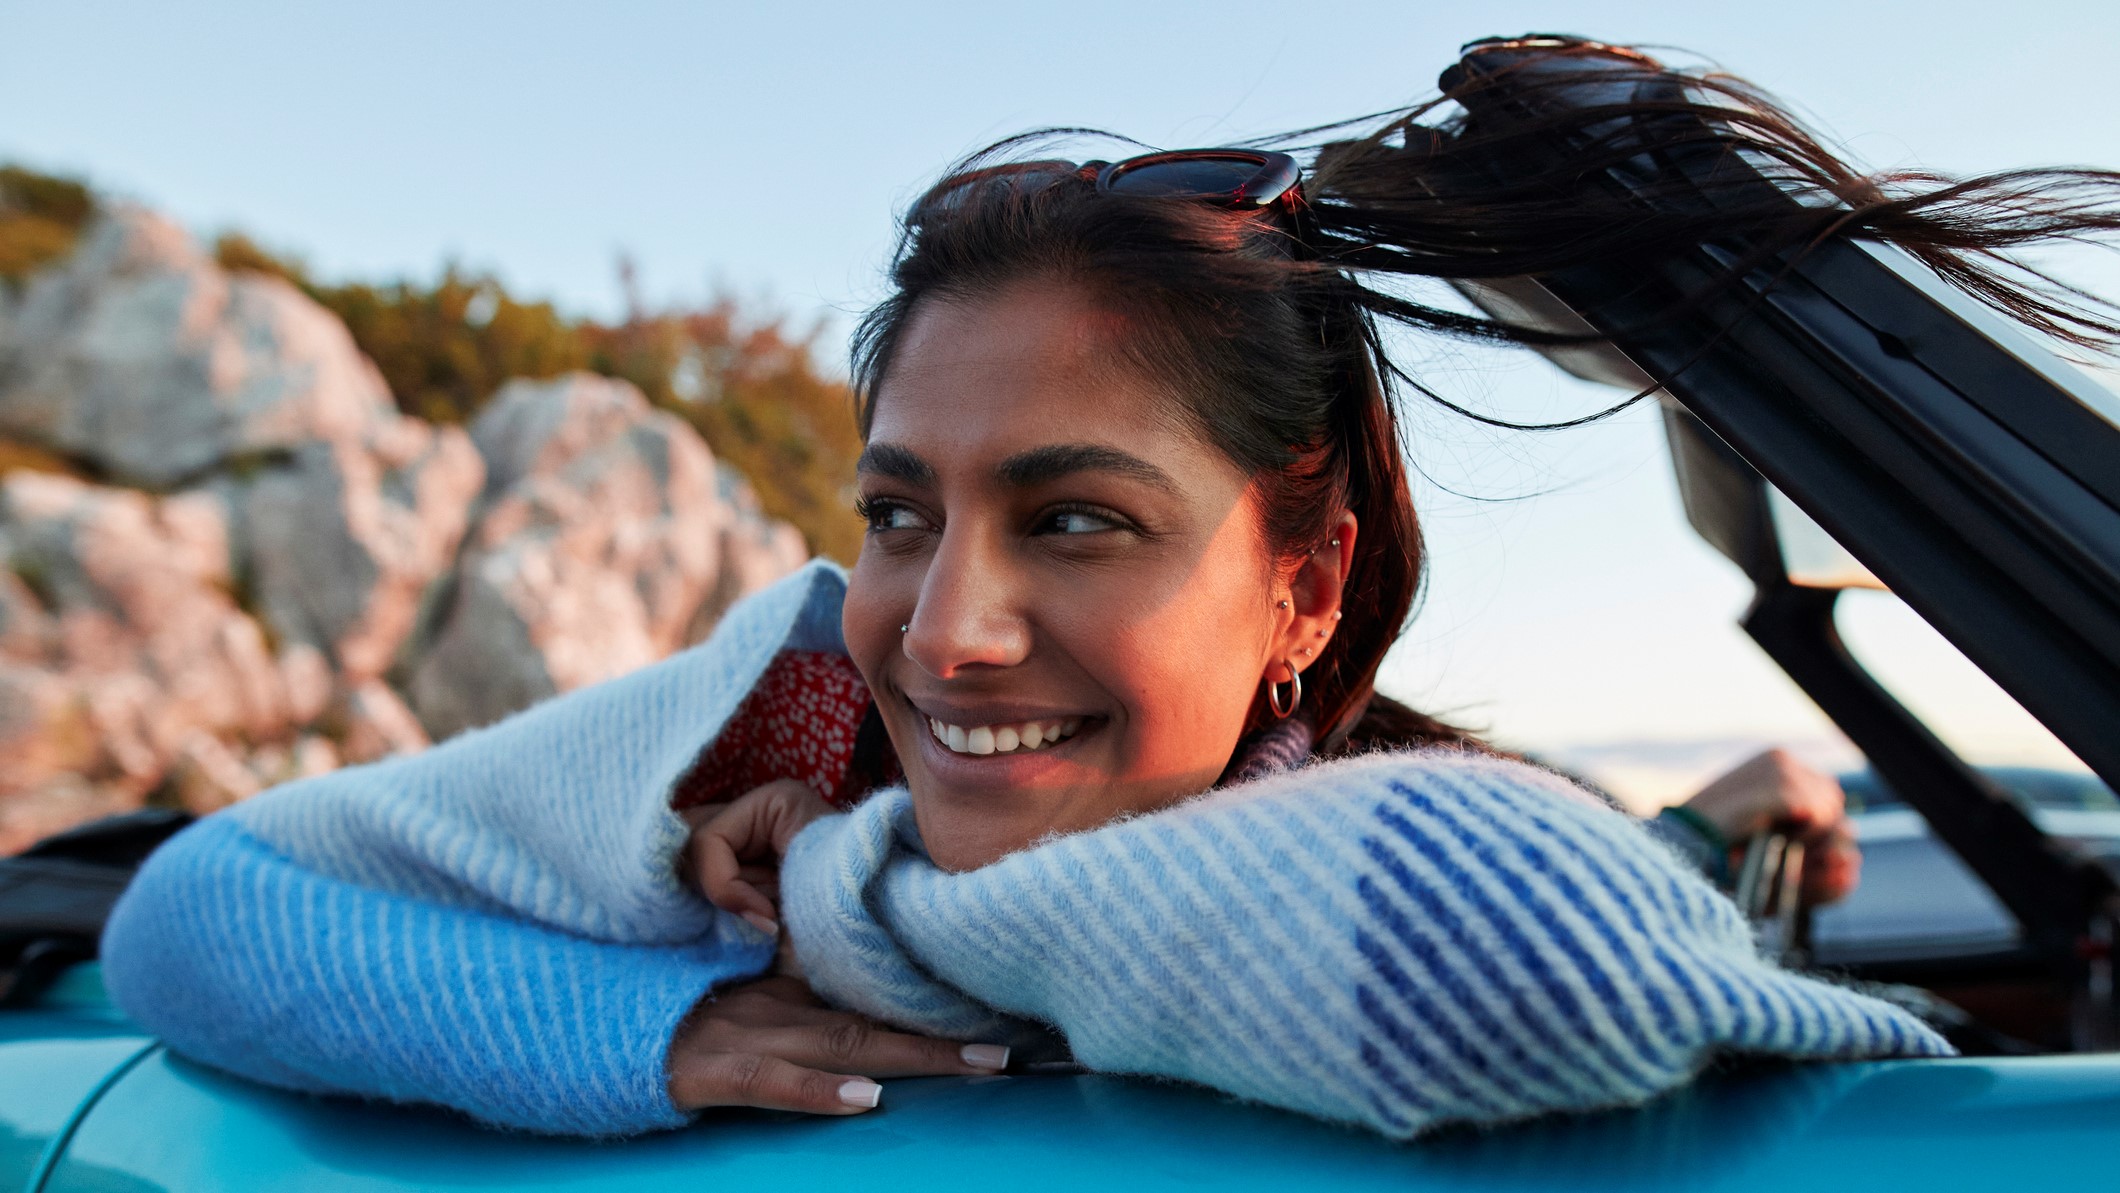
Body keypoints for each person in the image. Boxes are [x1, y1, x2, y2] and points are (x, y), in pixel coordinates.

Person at [99, 36, 2119, 1139]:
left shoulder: (1289, 841)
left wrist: (1719, 827)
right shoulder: (771, 753)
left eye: (1074, 520)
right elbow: (195, 912)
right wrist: (655, 1032)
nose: (945, 627)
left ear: (1304, 586)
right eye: (902, 513)